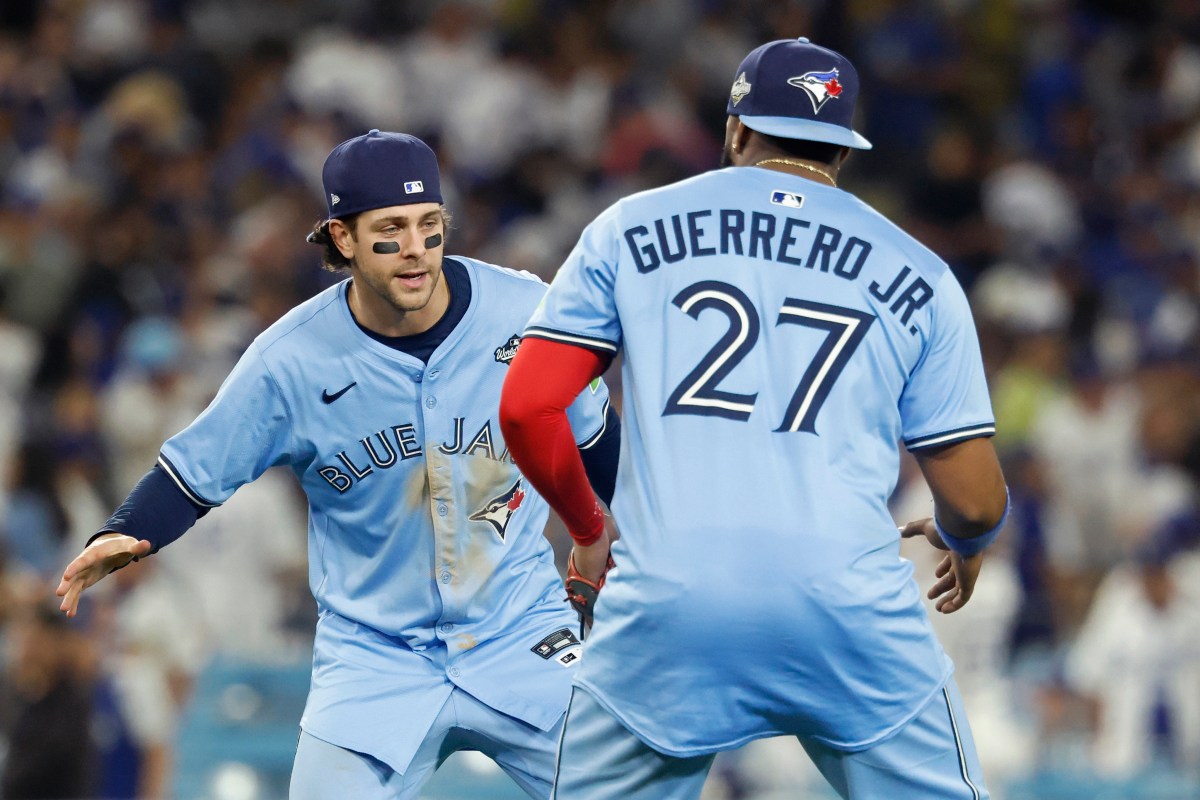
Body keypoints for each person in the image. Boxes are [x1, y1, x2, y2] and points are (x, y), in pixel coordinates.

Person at [500, 38, 1009, 800]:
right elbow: (974, 499)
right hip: (846, 610)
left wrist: (586, 530)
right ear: (844, 150)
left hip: (672, 605)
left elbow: (527, 405)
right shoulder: (921, 272)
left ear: (737, 130)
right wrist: (965, 542)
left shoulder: (628, 227)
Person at [55, 129, 620, 800]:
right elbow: (193, 475)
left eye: (428, 225)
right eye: (390, 229)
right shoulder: (291, 358)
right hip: (374, 659)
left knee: (630, 786)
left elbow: (592, 428)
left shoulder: (525, 311)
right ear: (342, 238)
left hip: (521, 629)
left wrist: (598, 534)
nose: (416, 248)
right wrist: (122, 530)